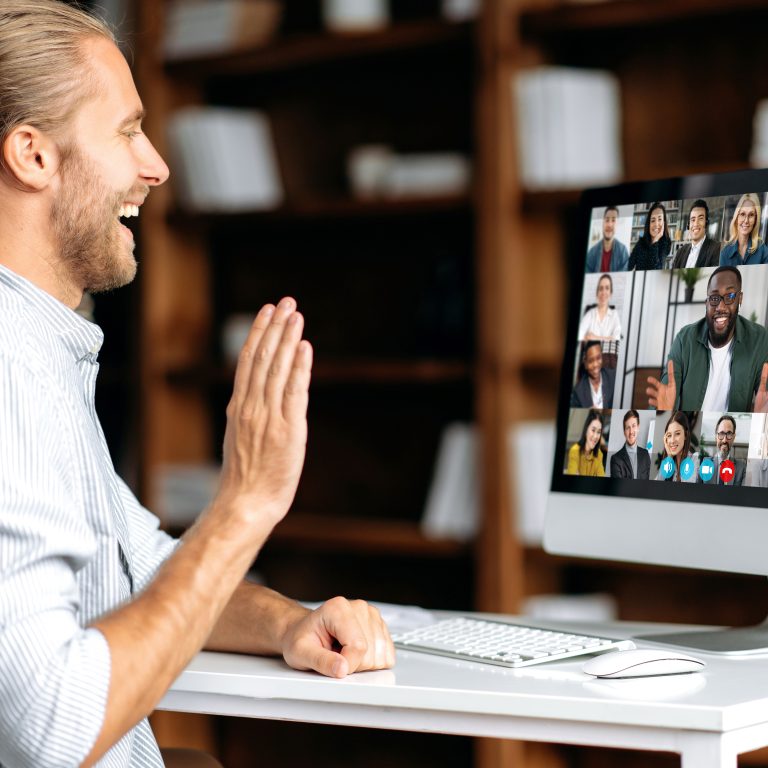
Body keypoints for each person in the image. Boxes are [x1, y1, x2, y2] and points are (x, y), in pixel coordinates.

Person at [0, 4, 394, 767]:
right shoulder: (10, 369)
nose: (156, 165)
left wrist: (287, 624)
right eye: (125, 131)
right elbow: (54, 725)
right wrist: (245, 504)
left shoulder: (42, 352)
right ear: (32, 156)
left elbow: (143, 570)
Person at [646, 266, 768, 413]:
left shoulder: (759, 340)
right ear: (707, 303)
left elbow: (764, 398)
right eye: (714, 298)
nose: (721, 307)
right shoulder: (684, 340)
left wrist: (761, 418)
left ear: (739, 299)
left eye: (730, 296)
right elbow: (663, 398)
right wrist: (663, 412)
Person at [577, 273, 622, 362]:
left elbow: (617, 338)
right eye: (601, 288)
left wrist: (594, 337)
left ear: (611, 293)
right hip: (590, 359)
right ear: (597, 293)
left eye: (607, 288)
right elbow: (580, 335)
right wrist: (608, 338)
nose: (603, 292)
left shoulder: (614, 314)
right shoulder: (590, 314)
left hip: (608, 361)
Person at [719, 193, 768, 266]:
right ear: (736, 218)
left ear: (755, 219)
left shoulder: (763, 250)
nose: (746, 221)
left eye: (751, 215)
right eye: (742, 214)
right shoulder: (725, 253)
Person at [671, 199, 721, 268]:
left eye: (700, 218)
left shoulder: (716, 249)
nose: (695, 224)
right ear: (688, 225)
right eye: (693, 219)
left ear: (706, 223)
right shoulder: (680, 252)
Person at [700, 414, 746, 486]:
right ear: (716, 436)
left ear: (734, 437)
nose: (724, 440)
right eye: (721, 433)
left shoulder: (741, 467)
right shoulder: (704, 463)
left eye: (729, 434)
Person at [654, 411, 698, 482]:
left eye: (677, 434)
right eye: (669, 435)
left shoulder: (695, 459)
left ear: (685, 435)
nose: (672, 440)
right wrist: (669, 457)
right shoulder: (670, 463)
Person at [571, 341, 616, 409]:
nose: (595, 364)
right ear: (585, 364)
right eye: (591, 361)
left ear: (602, 357)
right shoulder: (578, 392)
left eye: (598, 358)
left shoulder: (613, 377)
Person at [628, 202, 672, 270]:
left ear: (664, 222)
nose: (656, 224)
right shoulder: (641, 243)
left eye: (659, 219)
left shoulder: (665, 244)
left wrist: (655, 240)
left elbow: (656, 269)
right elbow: (628, 266)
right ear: (649, 223)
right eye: (653, 220)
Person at [609, 409, 651, 480]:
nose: (631, 432)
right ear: (624, 432)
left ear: (638, 427)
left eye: (634, 426)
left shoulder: (645, 455)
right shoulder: (615, 459)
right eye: (628, 428)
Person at [585, 206, 629, 273]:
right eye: (607, 220)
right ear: (602, 223)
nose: (609, 224)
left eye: (613, 220)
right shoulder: (592, 253)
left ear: (617, 224)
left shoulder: (623, 252)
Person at [566, 409, 606, 477]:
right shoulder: (575, 451)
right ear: (586, 429)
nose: (595, 436)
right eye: (593, 430)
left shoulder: (599, 454)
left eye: (599, 432)